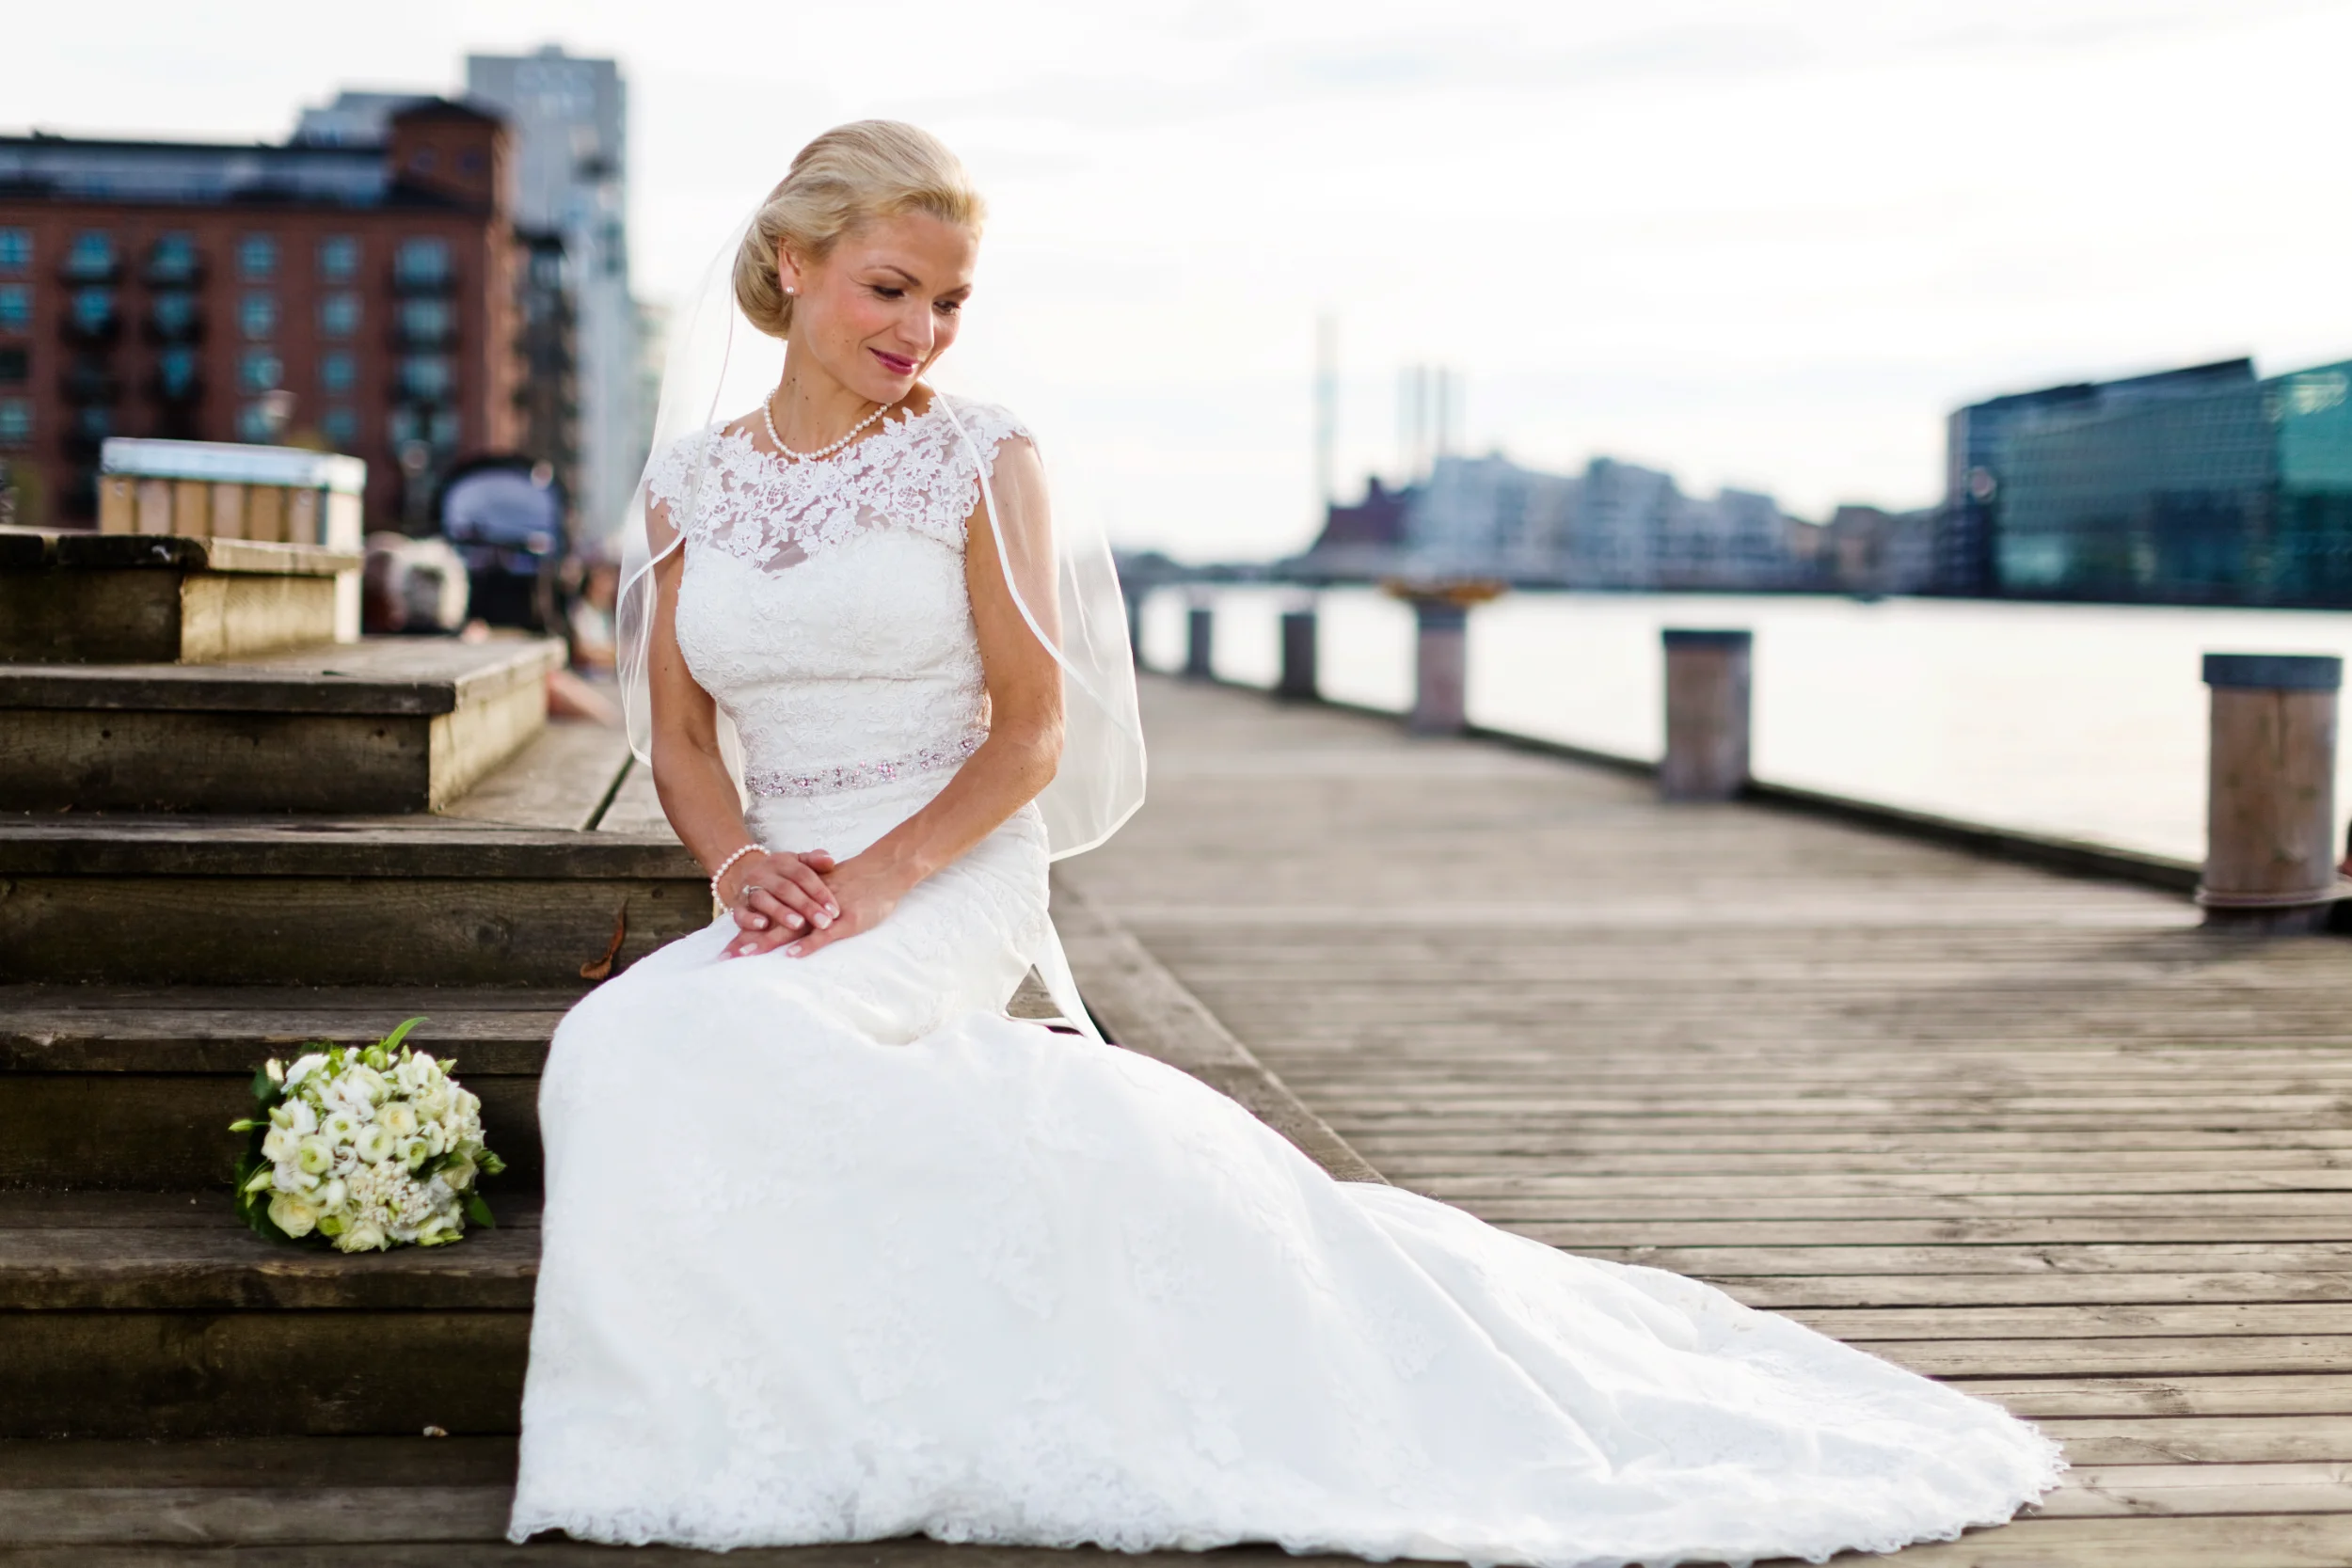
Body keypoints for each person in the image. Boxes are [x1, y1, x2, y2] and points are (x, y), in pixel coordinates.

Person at [507, 121, 2063, 1564]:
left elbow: (1035, 730)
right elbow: (687, 736)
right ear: (795, 266)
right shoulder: (686, 482)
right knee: (612, 1048)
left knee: (709, 1040)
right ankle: (706, 1428)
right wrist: (735, 868)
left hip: (943, 861)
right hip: (784, 876)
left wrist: (884, 875)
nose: (922, 330)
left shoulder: (982, 458)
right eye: (891, 288)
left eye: (953, 301)